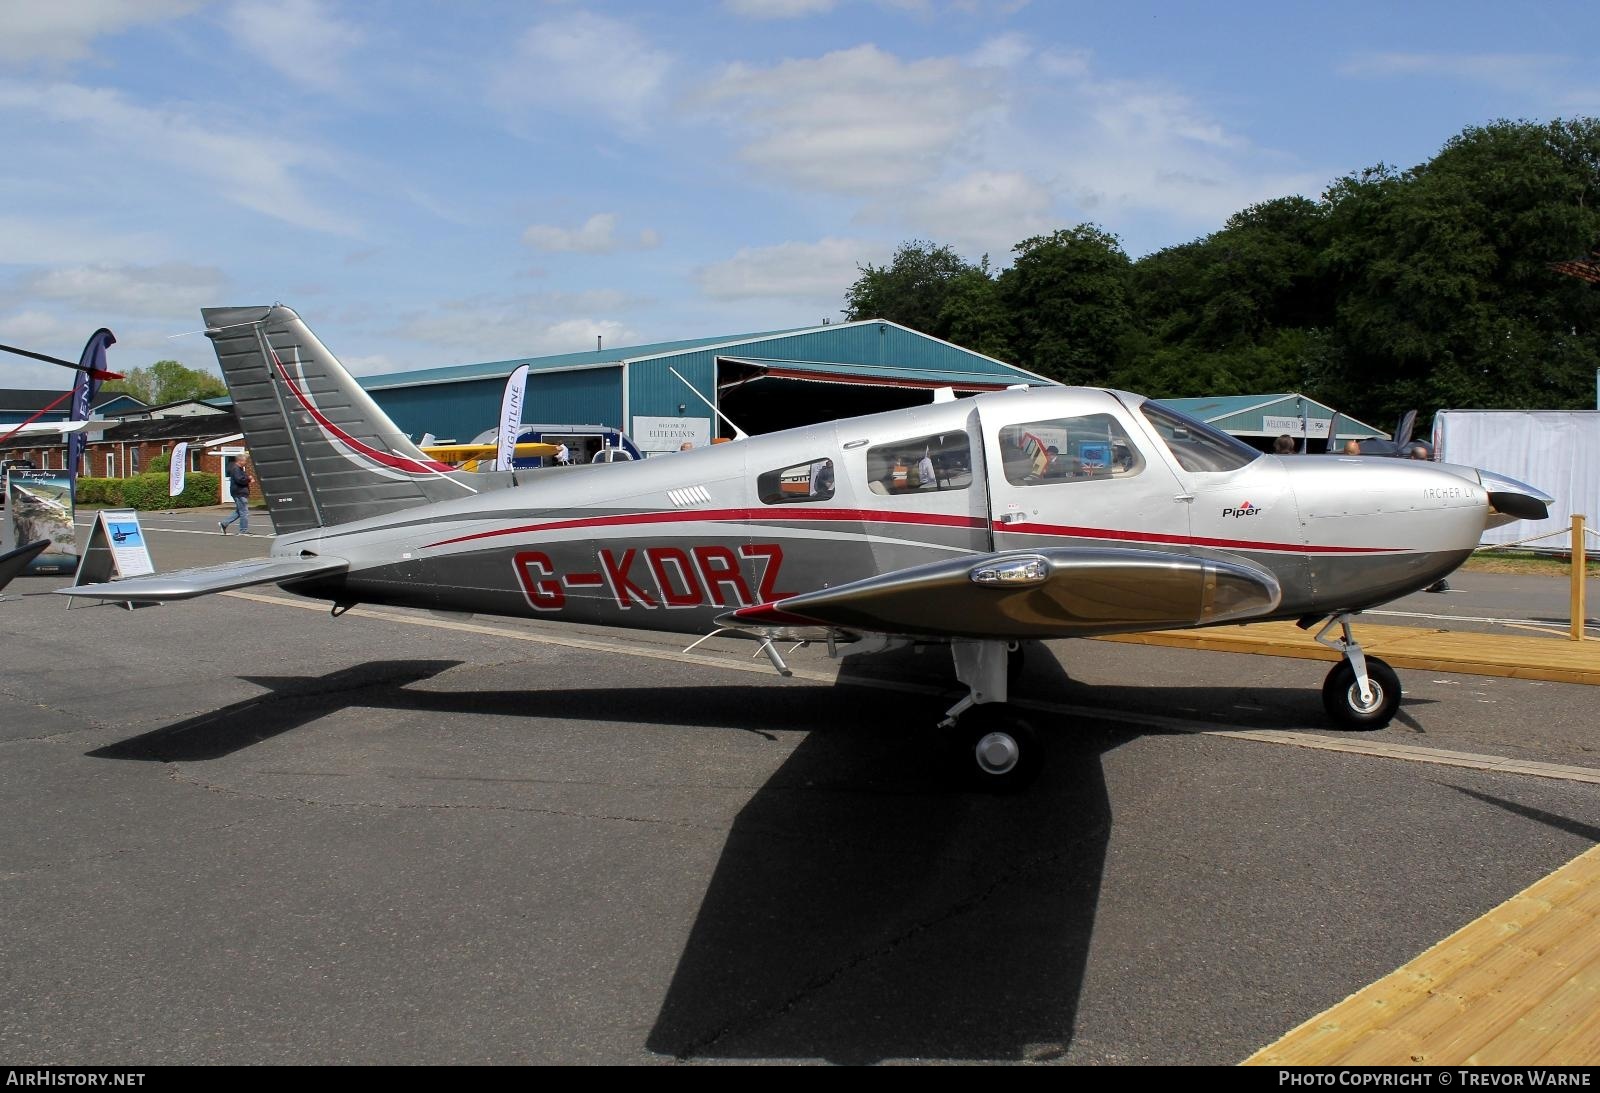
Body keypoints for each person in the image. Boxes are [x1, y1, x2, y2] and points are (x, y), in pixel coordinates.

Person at [219, 460, 251, 534]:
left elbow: (242, 478)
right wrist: (249, 479)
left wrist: (247, 477)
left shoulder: (239, 469)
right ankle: (243, 530)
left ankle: (224, 524)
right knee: (244, 512)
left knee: (239, 511)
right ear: (240, 461)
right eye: (245, 461)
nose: (246, 463)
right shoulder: (236, 469)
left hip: (240, 492)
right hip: (239, 492)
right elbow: (240, 480)